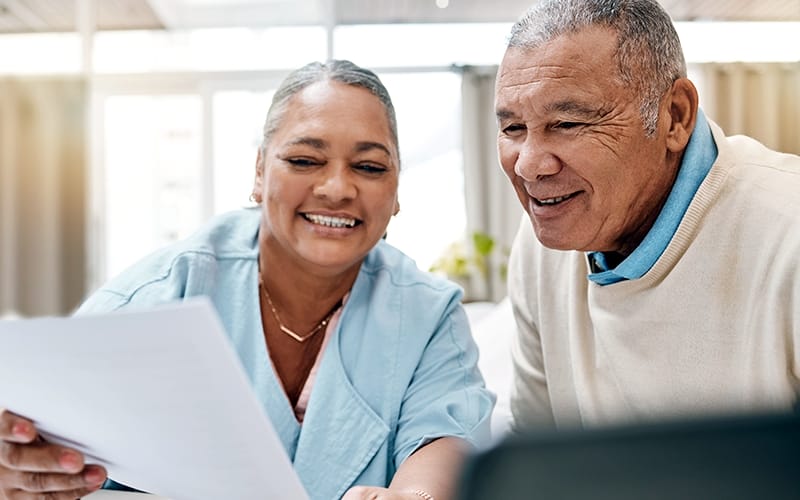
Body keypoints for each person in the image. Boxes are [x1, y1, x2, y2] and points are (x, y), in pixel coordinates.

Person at [0, 60, 494, 500]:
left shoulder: (427, 313)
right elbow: (45, 437)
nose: (338, 188)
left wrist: (417, 495)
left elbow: (444, 435)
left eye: (369, 166)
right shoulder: (161, 293)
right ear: (260, 172)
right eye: (304, 160)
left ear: (396, 190)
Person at [494, 0, 800, 431]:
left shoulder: (788, 234)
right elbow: (535, 455)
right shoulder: (542, 243)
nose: (528, 165)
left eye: (566, 123)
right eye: (512, 129)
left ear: (675, 116)